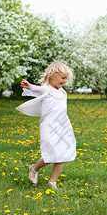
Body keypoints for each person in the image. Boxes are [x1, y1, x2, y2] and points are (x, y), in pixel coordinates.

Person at [15, 61, 76, 190]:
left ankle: (52, 182)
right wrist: (28, 86)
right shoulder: (46, 89)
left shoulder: (62, 92)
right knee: (50, 154)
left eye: (66, 79)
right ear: (52, 75)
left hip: (63, 126)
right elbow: (36, 88)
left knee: (62, 154)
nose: (65, 81)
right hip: (48, 126)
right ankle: (34, 168)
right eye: (63, 78)